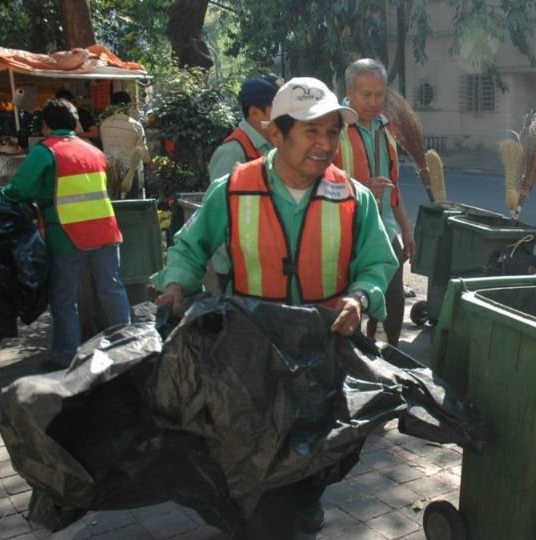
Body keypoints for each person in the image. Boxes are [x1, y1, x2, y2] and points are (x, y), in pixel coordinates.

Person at [152, 77, 398, 534]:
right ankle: (256, 507)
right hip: (252, 346)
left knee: (318, 438)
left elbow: (377, 261)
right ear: (277, 134)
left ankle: (305, 500)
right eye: (311, 132)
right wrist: (174, 287)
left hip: (323, 343)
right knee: (254, 437)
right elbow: (190, 247)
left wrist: (361, 297)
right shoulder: (232, 190)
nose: (325, 144)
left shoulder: (352, 196)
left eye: (331, 132)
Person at [0, 98, 131, 368]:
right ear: (75, 124)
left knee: (64, 298)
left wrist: (0, 195)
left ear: (46, 125)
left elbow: (20, 190)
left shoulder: (45, 151)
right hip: (106, 232)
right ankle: (129, 346)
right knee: (112, 290)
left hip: (68, 236)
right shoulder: (94, 151)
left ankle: (65, 356)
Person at [333, 58, 415, 347]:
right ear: (350, 92)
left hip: (385, 230)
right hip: (344, 232)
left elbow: (393, 186)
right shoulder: (334, 128)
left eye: (380, 94)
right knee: (347, 304)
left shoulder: (385, 128)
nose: (373, 101)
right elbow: (317, 181)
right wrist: (363, 189)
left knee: (392, 303)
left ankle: (385, 357)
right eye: (366, 95)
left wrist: (406, 229)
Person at [206, 75, 281, 290]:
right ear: (255, 113)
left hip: (262, 265)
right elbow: (217, 215)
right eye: (276, 110)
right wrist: (231, 263)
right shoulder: (232, 152)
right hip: (236, 269)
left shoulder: (269, 147)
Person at [100, 91, 150, 199]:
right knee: (129, 209)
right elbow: (143, 154)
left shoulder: (104, 124)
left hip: (108, 173)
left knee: (112, 207)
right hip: (129, 176)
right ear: (128, 106)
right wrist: (150, 163)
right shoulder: (136, 126)